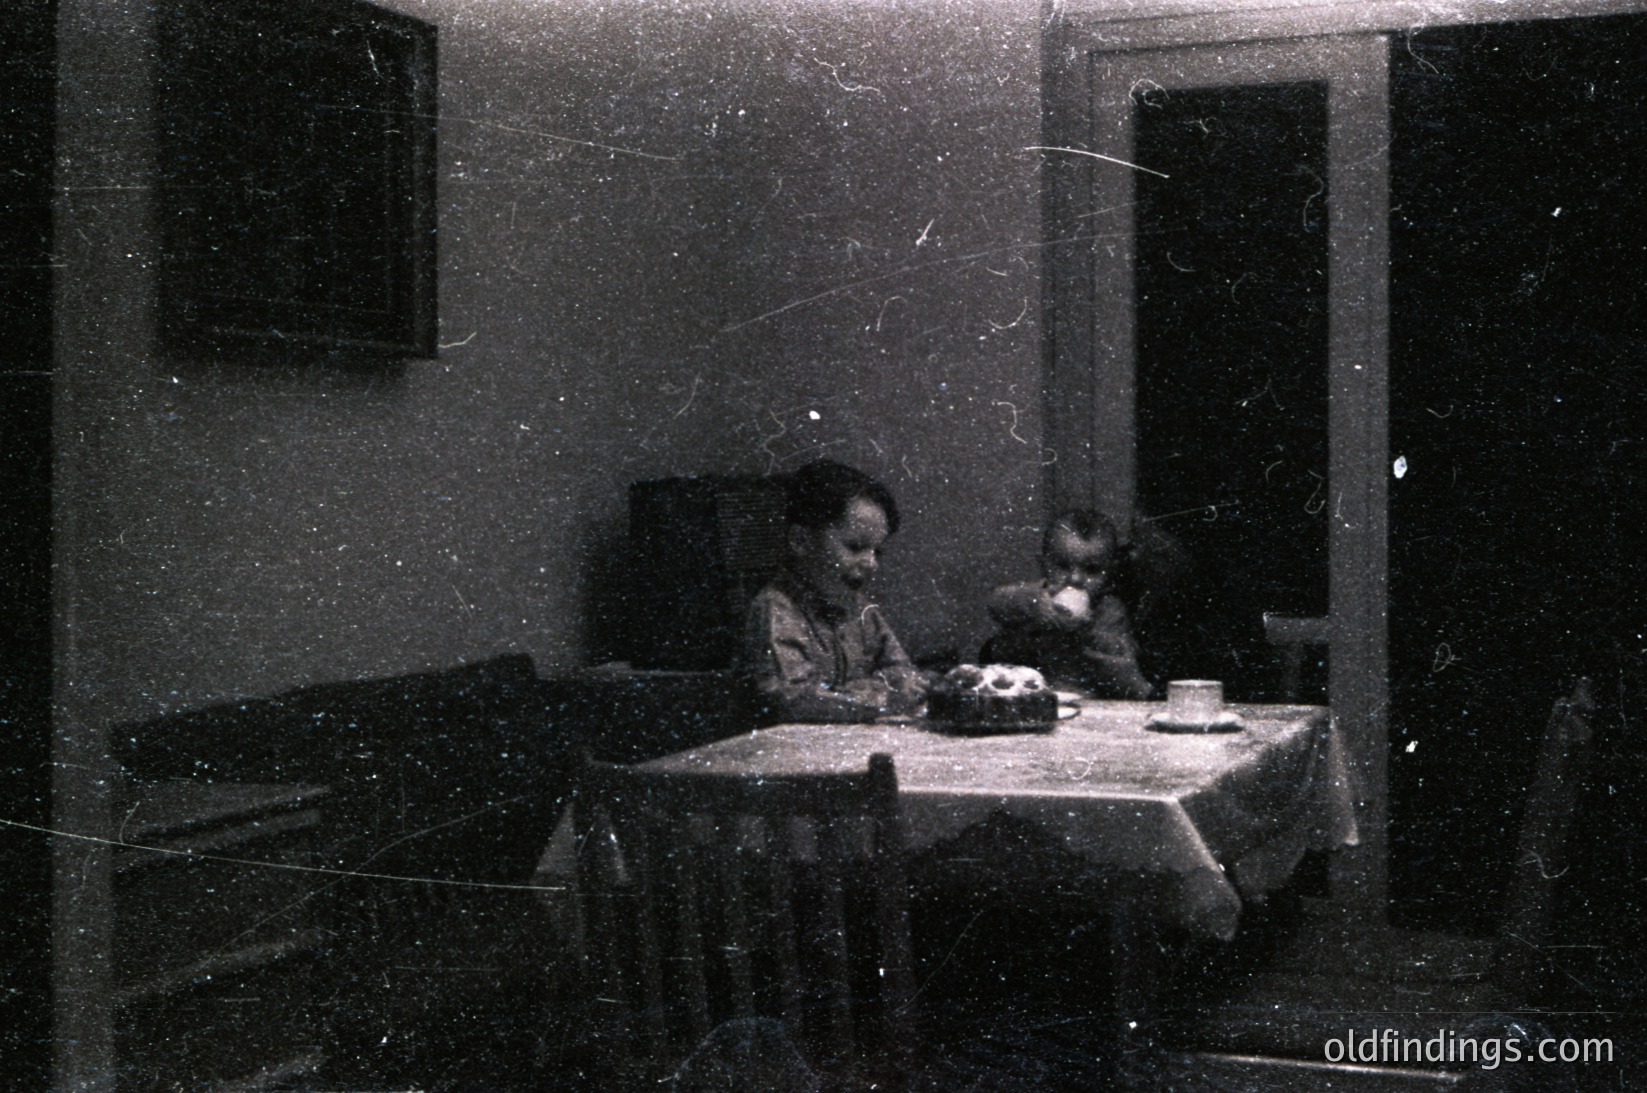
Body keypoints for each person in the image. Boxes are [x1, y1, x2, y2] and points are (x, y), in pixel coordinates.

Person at [743, 459, 929, 723]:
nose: (871, 563)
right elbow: (795, 699)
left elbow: (897, 666)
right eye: (855, 547)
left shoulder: (859, 606)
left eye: (877, 551)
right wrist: (882, 697)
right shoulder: (776, 608)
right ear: (801, 541)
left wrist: (906, 684)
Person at [980, 508, 1155, 699]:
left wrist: (1088, 631)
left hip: (1086, 700)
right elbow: (996, 601)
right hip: (1030, 695)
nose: (1075, 578)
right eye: (1062, 566)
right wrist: (1033, 604)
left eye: (1092, 570)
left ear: (1110, 573)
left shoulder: (1110, 609)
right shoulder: (1037, 594)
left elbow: (1116, 654)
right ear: (1043, 564)